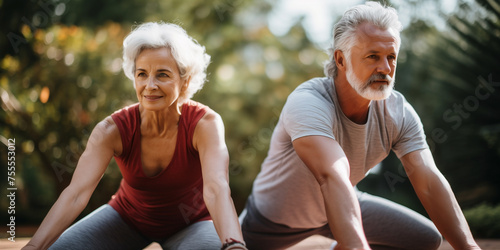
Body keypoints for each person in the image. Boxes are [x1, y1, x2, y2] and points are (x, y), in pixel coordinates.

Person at [240, 2, 481, 250]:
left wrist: (470, 247)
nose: (385, 68)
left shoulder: (398, 112)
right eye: (373, 57)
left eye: (391, 57)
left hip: (342, 204)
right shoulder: (308, 102)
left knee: (425, 239)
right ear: (341, 59)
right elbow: (331, 175)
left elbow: (428, 180)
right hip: (269, 223)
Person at [23, 22, 247, 250]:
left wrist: (234, 244)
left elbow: (216, 188)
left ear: (185, 80)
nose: (150, 85)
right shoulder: (112, 130)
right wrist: (34, 246)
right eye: (142, 74)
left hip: (193, 224)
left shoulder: (205, 124)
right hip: (127, 219)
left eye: (162, 75)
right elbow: (76, 194)